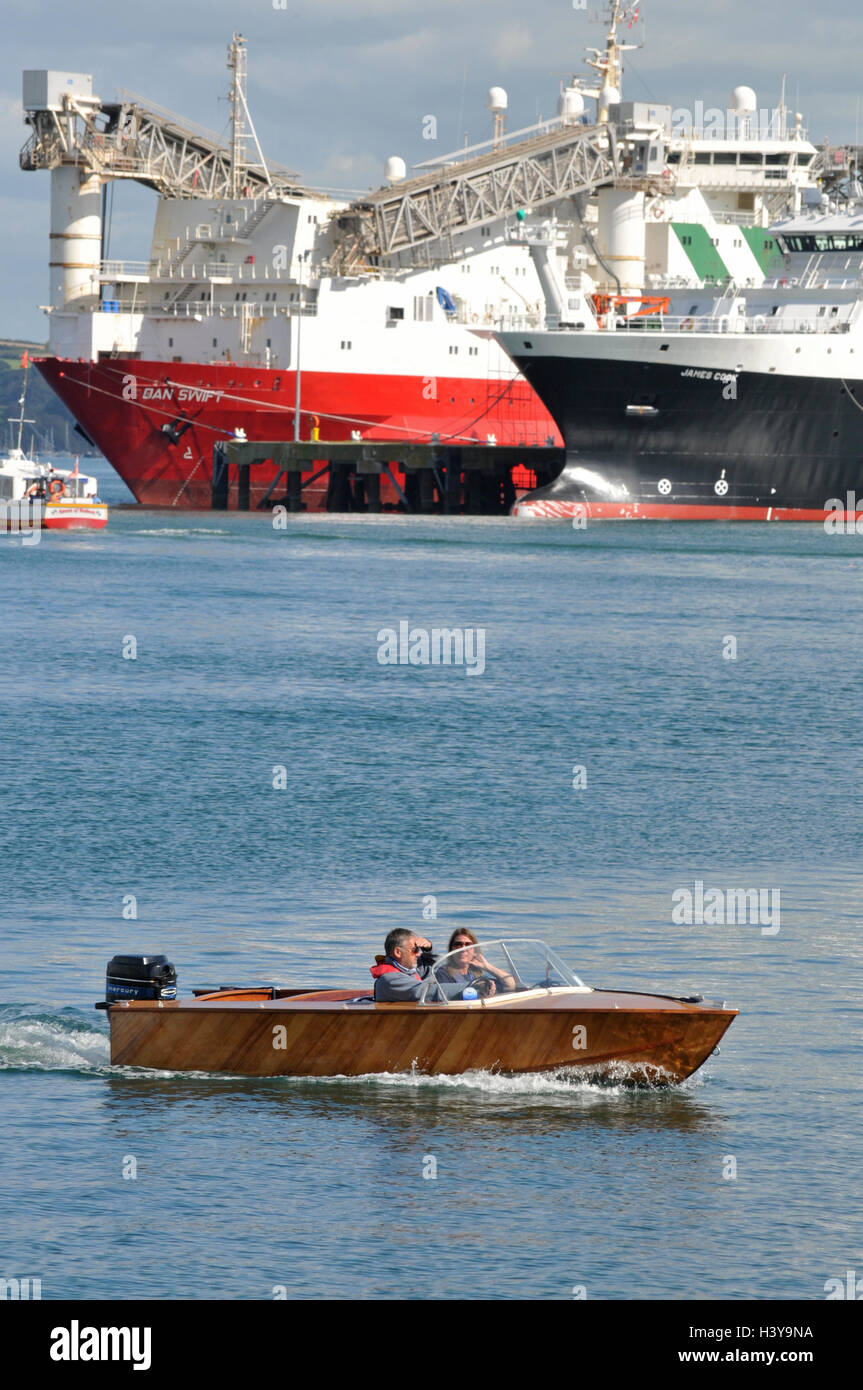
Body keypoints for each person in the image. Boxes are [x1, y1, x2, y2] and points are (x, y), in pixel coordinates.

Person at [436, 929, 515, 998]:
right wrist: (480, 993)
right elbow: (447, 997)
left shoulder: (476, 975)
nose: (463, 949)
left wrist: (487, 966)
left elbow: (510, 985)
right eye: (458, 945)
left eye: (468, 945)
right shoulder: (443, 973)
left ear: (474, 950)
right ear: (451, 950)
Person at [370, 929, 438, 1002]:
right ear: (398, 952)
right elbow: (424, 992)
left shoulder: (410, 970)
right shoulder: (390, 979)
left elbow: (437, 968)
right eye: (415, 950)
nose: (418, 954)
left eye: (419, 949)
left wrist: (429, 950)